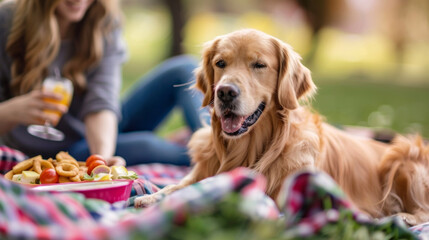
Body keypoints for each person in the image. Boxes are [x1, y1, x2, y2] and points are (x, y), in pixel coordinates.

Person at [0, 0, 207, 166]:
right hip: (61, 151)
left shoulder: (102, 18)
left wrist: (101, 158)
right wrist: (11, 111)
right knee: (146, 145)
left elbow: (101, 103)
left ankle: (220, 145)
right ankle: (214, 157)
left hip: (96, 131)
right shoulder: (7, 20)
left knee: (184, 69)